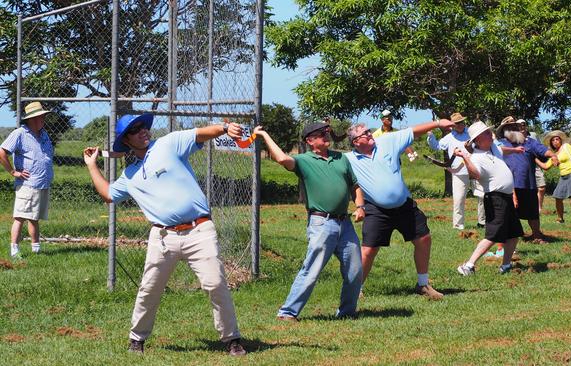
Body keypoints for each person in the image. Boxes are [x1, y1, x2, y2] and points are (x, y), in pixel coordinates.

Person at [83, 114, 246, 356]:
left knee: (216, 284)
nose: (143, 131)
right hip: (162, 238)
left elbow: (199, 133)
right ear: (126, 141)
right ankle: (137, 339)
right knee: (149, 289)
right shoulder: (130, 175)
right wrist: (91, 165)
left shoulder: (167, 144)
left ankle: (232, 339)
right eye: (135, 130)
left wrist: (224, 128)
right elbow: (108, 194)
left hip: (199, 230)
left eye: (143, 127)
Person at [254, 123, 365, 321]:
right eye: (321, 133)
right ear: (309, 141)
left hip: (345, 223)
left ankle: (347, 313)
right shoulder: (303, 160)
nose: (326, 135)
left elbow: (355, 185)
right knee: (312, 269)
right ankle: (287, 313)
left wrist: (360, 207)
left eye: (327, 132)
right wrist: (263, 135)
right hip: (322, 223)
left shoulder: (341, 158)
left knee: (355, 270)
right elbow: (281, 158)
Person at [346, 115, 454, 300]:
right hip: (376, 209)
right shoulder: (348, 160)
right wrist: (359, 206)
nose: (369, 134)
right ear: (356, 142)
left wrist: (437, 123)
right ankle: (356, 289)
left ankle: (423, 284)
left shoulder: (387, 141)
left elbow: (413, 131)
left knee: (423, 239)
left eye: (368, 131)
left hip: (404, 205)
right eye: (364, 133)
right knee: (368, 250)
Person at [456, 121, 524, 276]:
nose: (491, 135)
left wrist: (514, 150)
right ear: (478, 139)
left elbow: (502, 149)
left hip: (506, 197)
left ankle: (506, 265)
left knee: (514, 234)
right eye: (487, 133)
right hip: (495, 198)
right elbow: (475, 174)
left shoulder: (493, 147)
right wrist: (465, 157)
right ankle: (468, 265)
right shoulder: (476, 158)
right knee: (493, 235)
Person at [0, 102, 54, 258]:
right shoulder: (20, 134)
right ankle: (14, 250)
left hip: (42, 183)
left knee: (34, 217)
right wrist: (12, 171)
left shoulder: (43, 134)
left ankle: (36, 249)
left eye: (43, 116)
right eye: (40, 117)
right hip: (27, 184)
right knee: (20, 217)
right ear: (32, 119)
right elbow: (2, 152)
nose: (43, 119)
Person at [496, 117, 558, 243]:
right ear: (504, 130)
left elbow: (542, 150)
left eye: (515, 127)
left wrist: (552, 155)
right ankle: (509, 241)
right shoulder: (499, 144)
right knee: (508, 214)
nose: (513, 129)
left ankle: (537, 235)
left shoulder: (528, 142)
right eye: (510, 127)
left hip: (528, 184)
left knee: (533, 213)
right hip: (509, 186)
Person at [427, 112, 486, 230]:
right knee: (459, 199)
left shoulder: (471, 133)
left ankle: (482, 222)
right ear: (453, 125)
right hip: (459, 172)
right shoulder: (448, 138)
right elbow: (437, 146)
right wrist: (430, 136)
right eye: (457, 123)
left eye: (462, 122)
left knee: (483, 196)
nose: (460, 125)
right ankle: (458, 225)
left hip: (475, 169)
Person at [541, 130, 571, 228]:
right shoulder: (554, 155)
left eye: (557, 139)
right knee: (558, 197)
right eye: (553, 140)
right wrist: (534, 159)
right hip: (563, 176)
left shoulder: (566, 147)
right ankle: (560, 218)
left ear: (560, 140)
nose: (555, 141)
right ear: (551, 143)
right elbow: (545, 167)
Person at [521, 120, 548, 212]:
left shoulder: (533, 135)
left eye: (523, 124)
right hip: (523, 165)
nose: (522, 127)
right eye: (519, 125)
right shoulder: (515, 137)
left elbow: (539, 148)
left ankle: (539, 207)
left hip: (535, 164)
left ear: (526, 126)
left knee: (542, 187)